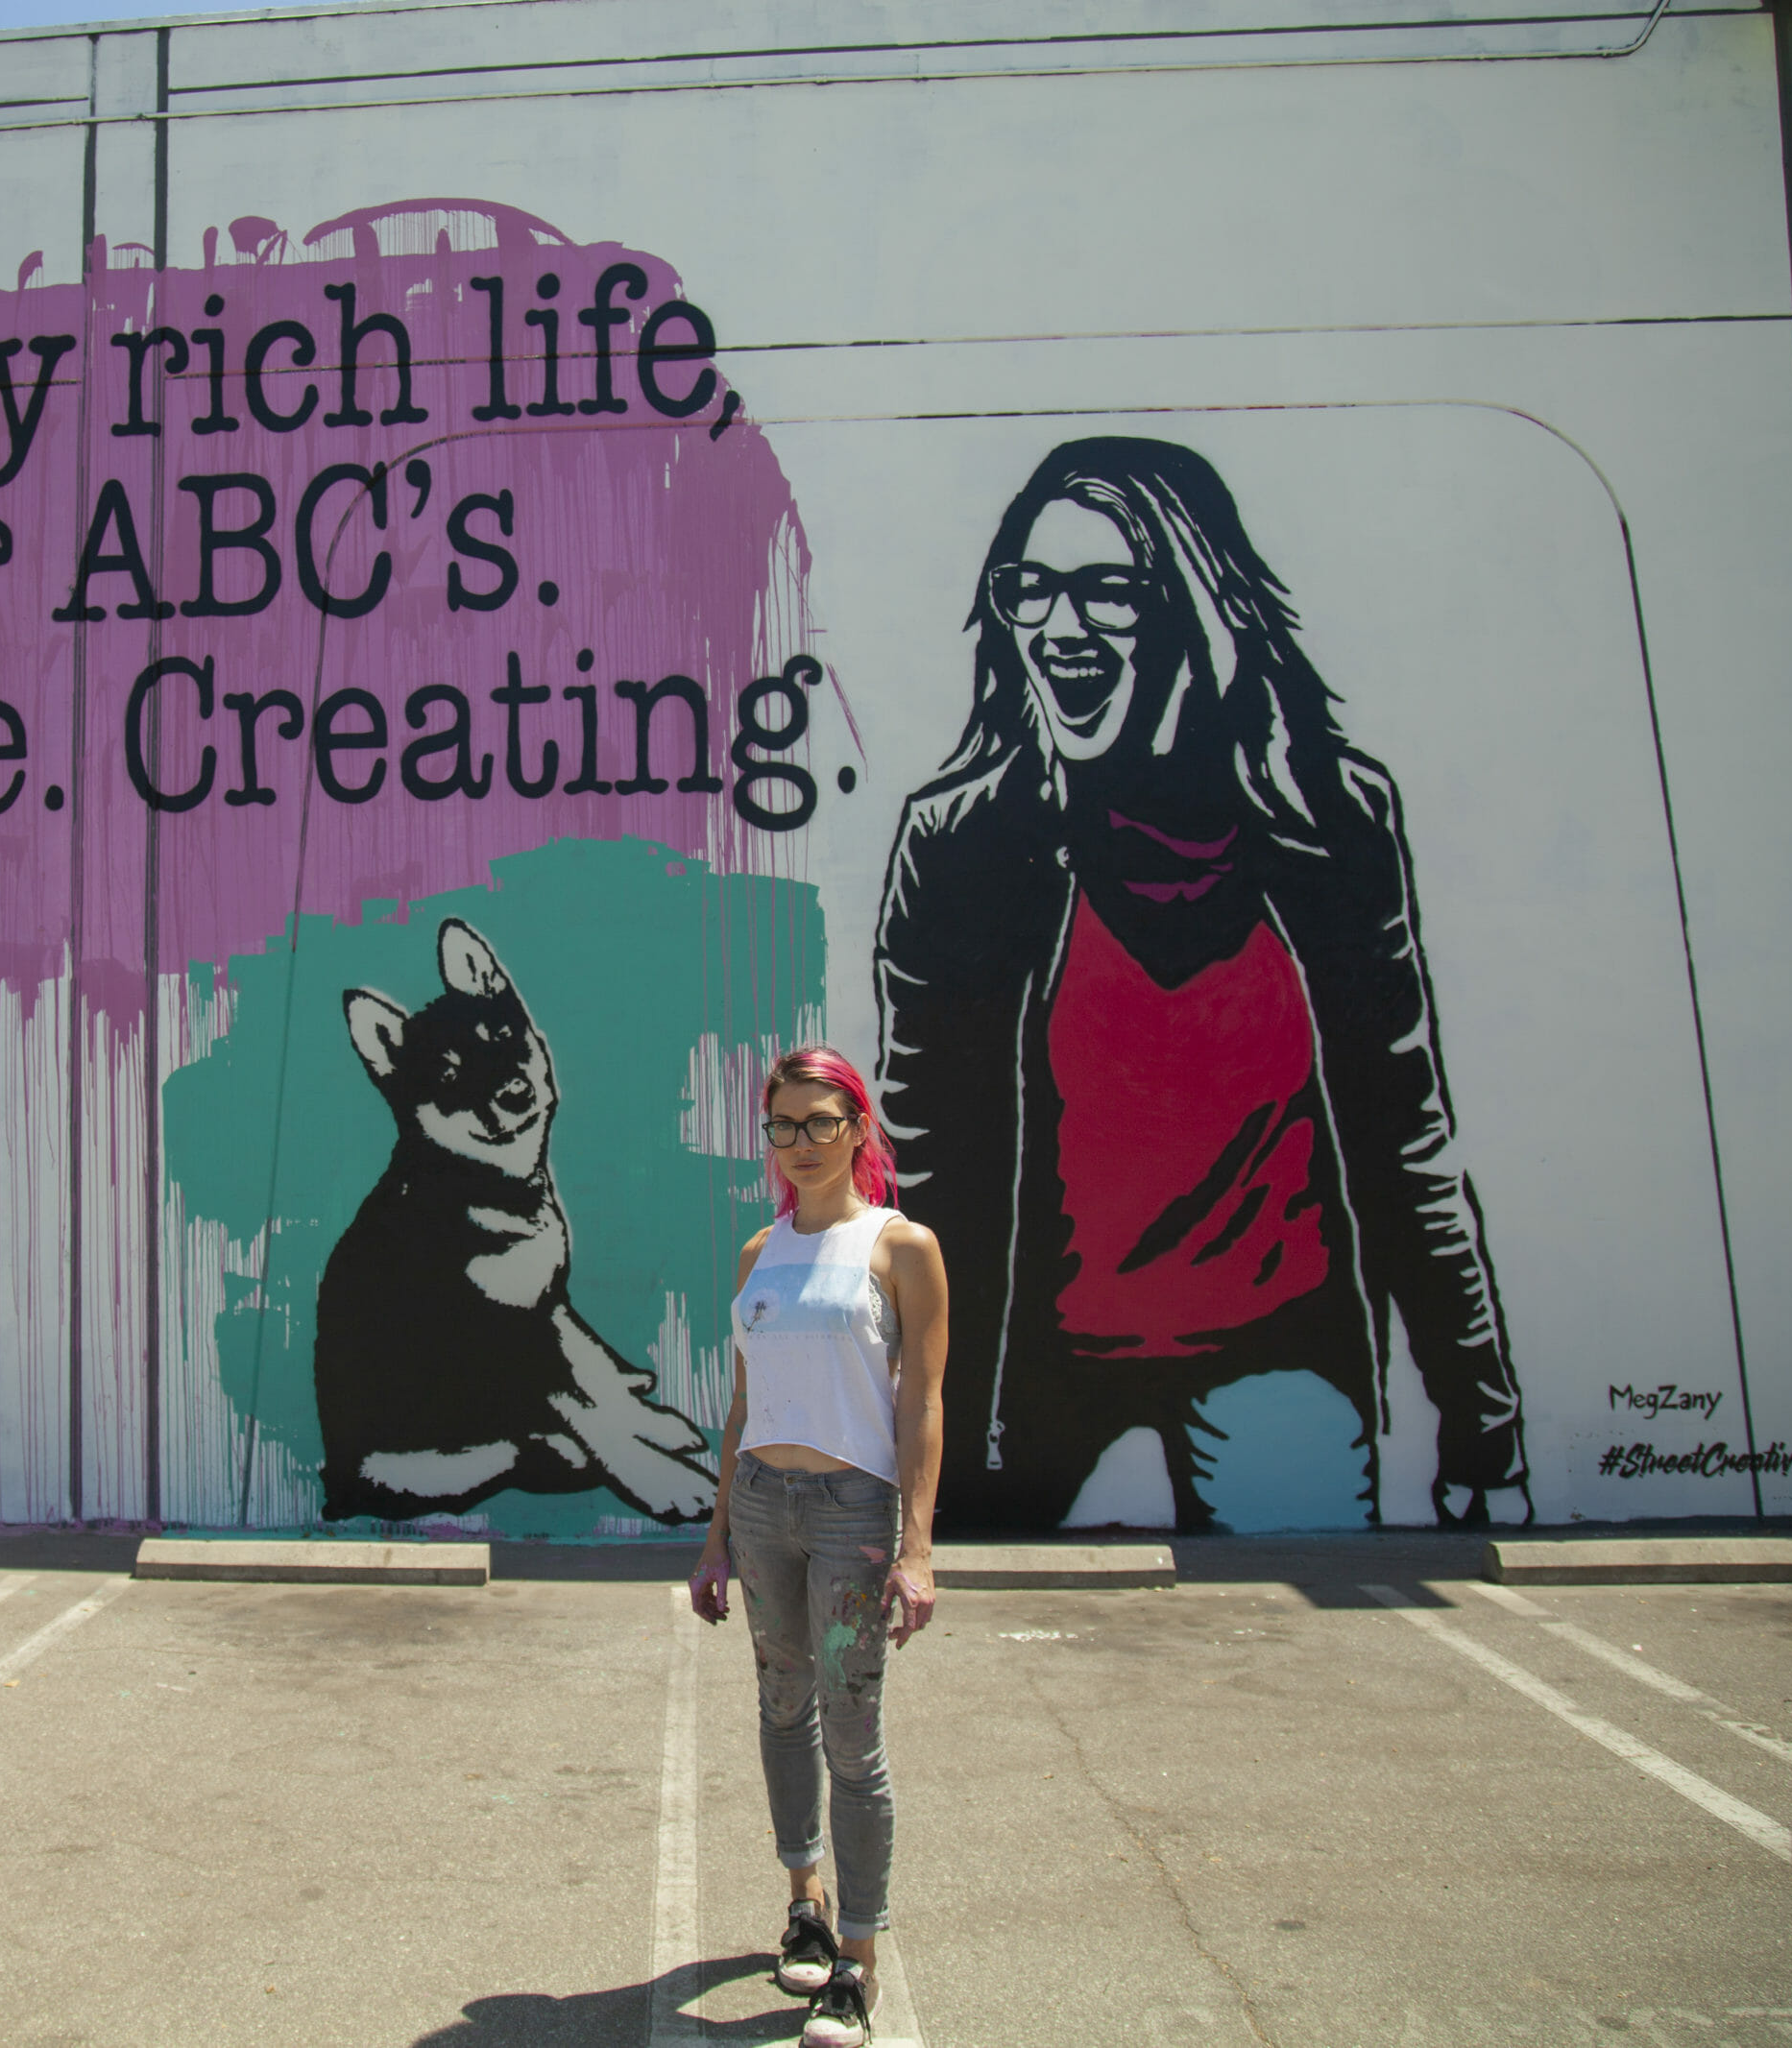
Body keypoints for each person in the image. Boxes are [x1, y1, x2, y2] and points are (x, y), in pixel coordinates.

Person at [871, 436, 1532, 1534]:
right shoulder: (963, 843)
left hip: (1275, 1353)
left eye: (1104, 592)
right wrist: (893, 1409)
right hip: (1020, 1370)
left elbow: (1402, 1139)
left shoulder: (1330, 824)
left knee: (1294, 1681)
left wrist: (1480, 1424)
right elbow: (922, 1173)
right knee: (988, 1677)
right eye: (1027, 589)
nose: (1057, 625)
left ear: (1188, 602)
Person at [688, 1045, 949, 2048]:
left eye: (819, 1122)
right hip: (761, 1507)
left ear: (857, 1128)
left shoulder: (900, 1247)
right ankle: (802, 1901)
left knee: (852, 1732)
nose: (800, 1144)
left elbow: (921, 1401)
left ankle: (857, 1961)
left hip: (851, 1514)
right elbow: (744, 1405)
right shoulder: (760, 1253)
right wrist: (713, 1540)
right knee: (779, 1705)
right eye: (782, 1126)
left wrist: (915, 1548)